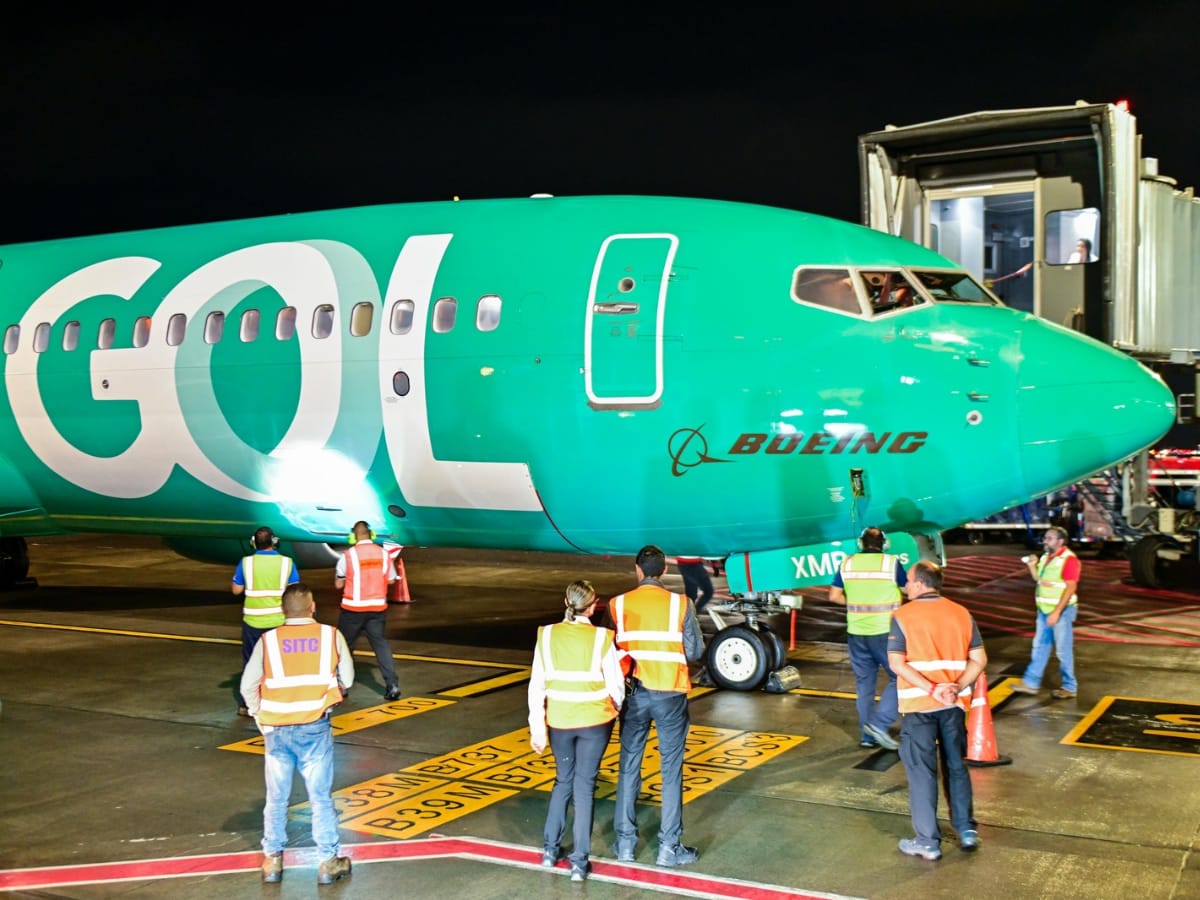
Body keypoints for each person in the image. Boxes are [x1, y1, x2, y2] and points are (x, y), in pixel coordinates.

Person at [240, 582, 355, 884]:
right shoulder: (330, 635)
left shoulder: (269, 640)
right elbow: (349, 677)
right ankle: (329, 862)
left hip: (277, 730)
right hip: (315, 728)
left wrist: (259, 716)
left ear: (282, 610)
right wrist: (334, 695)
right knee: (320, 797)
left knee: (277, 798)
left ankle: (272, 863)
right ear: (312, 607)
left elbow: (247, 685)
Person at [606, 544, 705, 868]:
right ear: (664, 571)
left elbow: (610, 652)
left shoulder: (617, 604)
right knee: (671, 769)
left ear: (637, 570)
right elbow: (692, 651)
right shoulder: (681, 604)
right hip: (670, 694)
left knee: (629, 766)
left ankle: (625, 845)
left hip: (634, 694)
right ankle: (668, 848)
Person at [888, 560, 987, 861]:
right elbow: (980, 660)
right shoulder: (962, 613)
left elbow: (896, 663)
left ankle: (928, 841)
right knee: (956, 765)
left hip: (920, 706)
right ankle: (966, 829)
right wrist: (954, 687)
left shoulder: (903, 616)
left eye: (908, 581)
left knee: (922, 772)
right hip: (953, 705)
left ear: (919, 584)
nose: (905, 586)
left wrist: (932, 689)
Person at [527, 580, 625, 883]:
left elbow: (536, 686)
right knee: (585, 787)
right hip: (595, 722)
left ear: (566, 602)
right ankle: (580, 863)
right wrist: (616, 709)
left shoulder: (546, 636)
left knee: (563, 783)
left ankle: (549, 850)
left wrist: (537, 728)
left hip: (560, 721)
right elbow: (616, 686)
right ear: (593, 605)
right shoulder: (601, 638)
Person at [828, 527, 907, 750]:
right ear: (884, 544)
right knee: (901, 676)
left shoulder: (847, 563)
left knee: (865, 685)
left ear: (861, 544)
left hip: (856, 633)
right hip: (885, 632)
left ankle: (867, 736)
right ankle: (879, 724)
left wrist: (854, 604)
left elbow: (834, 596)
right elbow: (909, 589)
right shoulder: (890, 563)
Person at [231, 526, 300, 717]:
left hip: (253, 620)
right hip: (278, 620)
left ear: (254, 543)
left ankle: (247, 704)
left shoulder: (246, 563)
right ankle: (279, 699)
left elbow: (236, 590)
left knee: (251, 663)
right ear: (274, 542)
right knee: (280, 662)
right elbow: (294, 593)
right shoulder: (287, 563)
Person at [1010, 526, 1080, 699]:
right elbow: (1038, 580)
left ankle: (1070, 687)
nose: (1045, 541)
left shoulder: (1069, 559)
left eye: (1049, 538)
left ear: (1060, 541)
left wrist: (1056, 612)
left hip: (1061, 612)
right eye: (1045, 538)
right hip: (1044, 610)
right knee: (1040, 647)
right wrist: (1032, 566)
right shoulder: (1047, 557)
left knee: (1063, 650)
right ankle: (1031, 683)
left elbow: (1071, 587)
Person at [334, 521, 401, 702]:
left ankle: (342, 686)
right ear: (371, 535)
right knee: (380, 645)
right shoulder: (384, 554)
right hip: (377, 608)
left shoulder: (348, 555)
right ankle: (392, 684)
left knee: (344, 647)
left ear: (353, 536)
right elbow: (392, 580)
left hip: (353, 609)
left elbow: (338, 583)